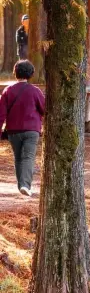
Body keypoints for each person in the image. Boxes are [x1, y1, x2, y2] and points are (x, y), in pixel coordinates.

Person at [0, 60, 45, 197]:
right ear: (31, 74)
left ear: (15, 73)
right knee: (28, 157)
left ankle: (22, 185)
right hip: (32, 130)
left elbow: (1, 113)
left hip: (13, 131)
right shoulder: (35, 91)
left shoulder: (8, 91)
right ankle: (25, 185)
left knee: (18, 158)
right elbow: (44, 109)